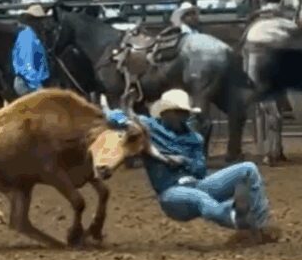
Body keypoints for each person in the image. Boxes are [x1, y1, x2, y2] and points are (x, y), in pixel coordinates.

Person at [111, 89, 271, 233]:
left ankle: (260, 225)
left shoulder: (195, 138)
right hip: (171, 193)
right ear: (166, 113)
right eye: (179, 112)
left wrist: (183, 161)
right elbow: (112, 115)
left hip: (198, 185)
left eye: (184, 112)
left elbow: (200, 169)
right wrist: (125, 120)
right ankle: (236, 218)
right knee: (201, 199)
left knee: (248, 169)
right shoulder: (148, 127)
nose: (184, 116)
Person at [12, 4, 50, 96]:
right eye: (40, 20)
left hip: (29, 82)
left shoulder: (31, 35)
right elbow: (28, 65)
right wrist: (38, 87)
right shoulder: (28, 37)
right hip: (29, 84)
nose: (43, 23)